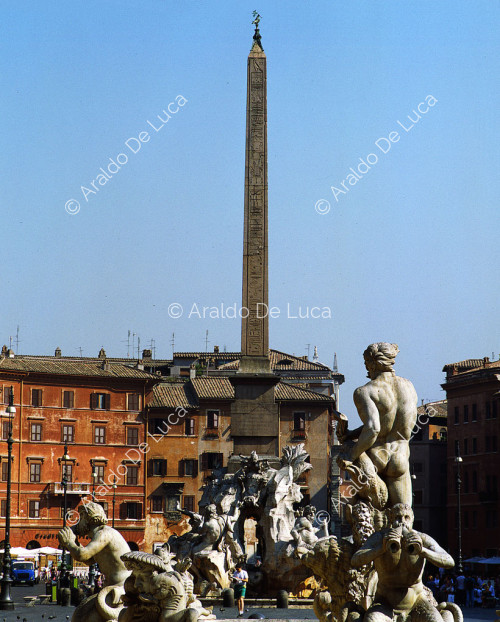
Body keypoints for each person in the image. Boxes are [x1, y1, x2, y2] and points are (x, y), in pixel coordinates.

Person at [337, 343, 418, 509]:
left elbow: (373, 429)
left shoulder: (365, 392)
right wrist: (352, 433)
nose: (366, 369)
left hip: (375, 459)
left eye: (366, 363)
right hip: (400, 457)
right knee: (403, 517)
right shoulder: (409, 387)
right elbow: (390, 423)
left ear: (372, 363)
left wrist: (350, 455)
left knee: (362, 514)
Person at [351, 504, 455, 622]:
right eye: (397, 517)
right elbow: (355, 560)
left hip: (416, 601)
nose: (402, 522)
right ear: (390, 519)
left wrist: (422, 550)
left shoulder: (421, 538)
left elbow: (449, 561)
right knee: (371, 620)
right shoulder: (380, 537)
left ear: (412, 519)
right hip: (385, 602)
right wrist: (381, 549)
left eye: (406, 518)